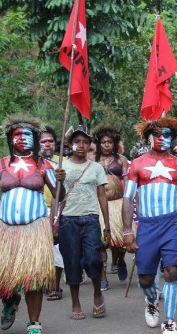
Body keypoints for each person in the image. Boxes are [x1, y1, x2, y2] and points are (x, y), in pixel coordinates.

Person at [0, 116, 65, 334]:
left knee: (34, 278)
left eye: (28, 134)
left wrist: (61, 182)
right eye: (18, 134)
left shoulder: (44, 165)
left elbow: (60, 195)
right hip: (5, 230)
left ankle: (34, 324)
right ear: (10, 138)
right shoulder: (0, 165)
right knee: (0, 275)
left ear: (36, 139)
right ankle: (9, 301)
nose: (23, 138)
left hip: (35, 228)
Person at [122, 117, 177, 334]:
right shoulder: (137, 164)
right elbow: (128, 198)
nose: (163, 139)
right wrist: (127, 231)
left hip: (171, 224)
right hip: (147, 226)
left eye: (168, 135)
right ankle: (152, 300)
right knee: (145, 280)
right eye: (159, 135)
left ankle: (169, 321)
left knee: (171, 272)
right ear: (149, 137)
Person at [58, 125, 110, 320]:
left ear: (89, 145)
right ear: (70, 144)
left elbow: (102, 196)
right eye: (77, 141)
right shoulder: (62, 167)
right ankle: (76, 303)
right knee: (71, 262)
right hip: (68, 219)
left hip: (90, 219)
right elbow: (59, 196)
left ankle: (97, 293)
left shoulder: (96, 168)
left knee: (93, 259)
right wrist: (59, 181)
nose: (81, 145)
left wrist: (107, 225)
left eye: (85, 142)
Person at [92, 125, 129, 291]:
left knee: (120, 242)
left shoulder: (121, 160)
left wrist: (130, 200)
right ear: (99, 143)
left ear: (114, 144)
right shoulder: (92, 160)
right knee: (100, 242)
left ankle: (120, 260)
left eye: (110, 142)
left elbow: (127, 182)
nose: (107, 145)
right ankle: (102, 276)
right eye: (103, 142)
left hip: (118, 203)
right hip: (99, 205)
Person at [39, 127, 65, 301]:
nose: (47, 144)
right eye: (43, 141)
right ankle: (40, 282)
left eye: (50, 141)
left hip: (58, 208)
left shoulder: (63, 163)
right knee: (40, 249)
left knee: (57, 248)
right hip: (37, 211)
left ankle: (55, 286)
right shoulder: (32, 163)